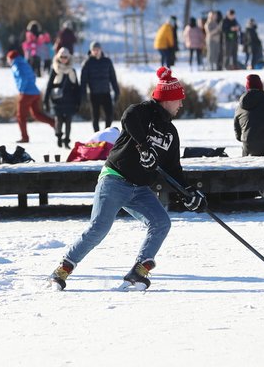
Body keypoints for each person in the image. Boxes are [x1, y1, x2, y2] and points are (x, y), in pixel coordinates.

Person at [49, 67, 205, 291]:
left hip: (139, 189)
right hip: (115, 179)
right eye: (179, 99)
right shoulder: (142, 112)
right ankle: (62, 269)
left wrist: (190, 192)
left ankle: (138, 272)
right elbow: (128, 117)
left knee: (161, 223)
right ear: (168, 99)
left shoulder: (171, 133)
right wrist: (143, 146)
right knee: (99, 228)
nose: (181, 104)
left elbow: (173, 169)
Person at [8, 49, 55, 143]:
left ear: (11, 58)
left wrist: (22, 89)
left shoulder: (16, 65)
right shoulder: (25, 63)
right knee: (36, 114)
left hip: (26, 93)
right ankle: (54, 123)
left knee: (21, 116)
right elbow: (33, 76)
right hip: (35, 92)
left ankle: (24, 137)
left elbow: (23, 78)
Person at [44, 47, 82, 148]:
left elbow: (77, 87)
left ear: (69, 58)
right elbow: (49, 86)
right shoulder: (54, 69)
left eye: (65, 57)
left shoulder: (72, 70)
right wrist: (45, 100)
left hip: (70, 99)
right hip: (57, 100)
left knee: (68, 121)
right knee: (58, 120)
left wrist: (79, 101)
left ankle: (66, 141)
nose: (64, 59)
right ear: (58, 57)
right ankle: (59, 136)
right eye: (62, 57)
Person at [80, 41, 120, 133]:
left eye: (97, 49)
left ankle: (106, 133)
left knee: (109, 115)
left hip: (106, 93)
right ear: (91, 51)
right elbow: (83, 81)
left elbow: (113, 78)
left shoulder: (107, 61)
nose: (96, 51)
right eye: (94, 50)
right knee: (95, 117)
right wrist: (83, 95)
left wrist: (116, 91)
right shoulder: (87, 63)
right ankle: (97, 135)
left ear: (100, 50)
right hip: (94, 94)